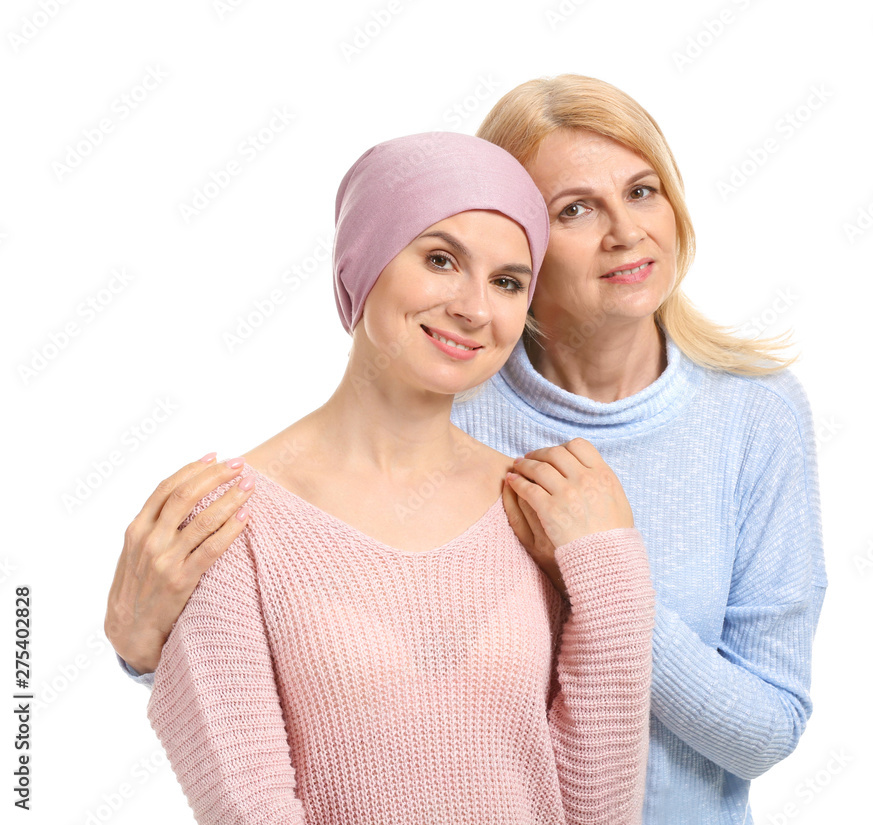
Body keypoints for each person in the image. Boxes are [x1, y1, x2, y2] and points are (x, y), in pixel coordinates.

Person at [107, 75, 827, 824]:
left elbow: (745, 732)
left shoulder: (740, 419)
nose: (625, 232)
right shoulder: (435, 423)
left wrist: (610, 575)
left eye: (643, 191)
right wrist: (146, 649)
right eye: (576, 208)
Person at [138, 131, 656, 824]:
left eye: (507, 282)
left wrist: (613, 573)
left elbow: (598, 811)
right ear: (364, 262)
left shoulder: (542, 507)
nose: (475, 308)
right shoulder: (228, 517)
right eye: (441, 260)